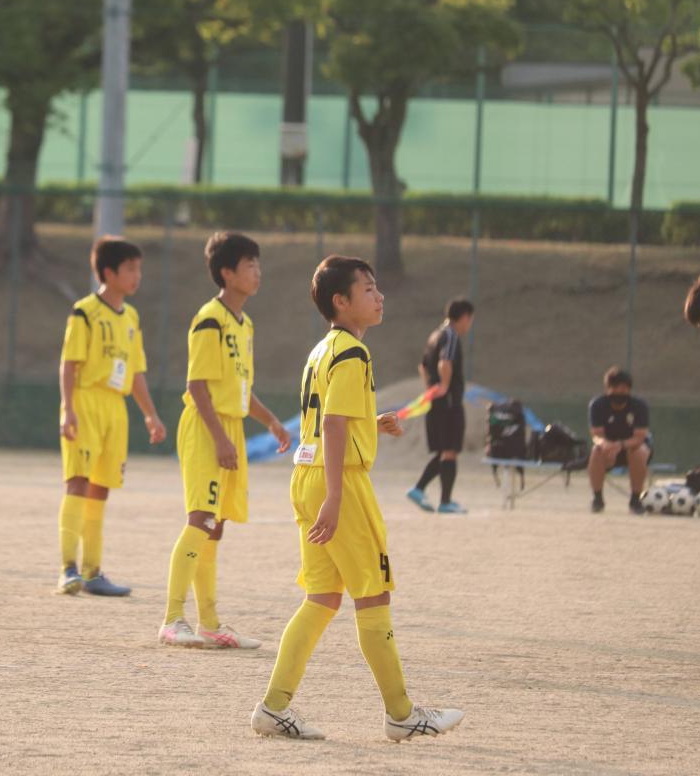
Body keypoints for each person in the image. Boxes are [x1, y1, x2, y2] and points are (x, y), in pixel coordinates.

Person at [251, 255, 463, 742]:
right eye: (368, 289)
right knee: (373, 594)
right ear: (340, 302)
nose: (379, 295)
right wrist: (335, 496)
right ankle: (401, 714)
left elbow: (332, 417)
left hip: (306, 477)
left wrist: (372, 422)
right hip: (338, 484)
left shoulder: (322, 350)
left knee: (323, 598)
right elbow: (331, 424)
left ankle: (273, 707)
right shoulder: (353, 353)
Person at [158, 231, 292, 649]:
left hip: (229, 426)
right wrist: (219, 439)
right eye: (250, 265)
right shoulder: (210, 319)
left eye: (258, 264)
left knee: (215, 528)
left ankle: (211, 623)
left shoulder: (244, 324)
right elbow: (197, 386)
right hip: (206, 427)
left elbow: (241, 390)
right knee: (201, 519)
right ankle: (172, 619)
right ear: (227, 273)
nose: (257, 272)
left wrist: (271, 422)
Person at [56, 236, 166, 596]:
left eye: (139, 269)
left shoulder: (131, 317)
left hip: (115, 409)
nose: (137, 276)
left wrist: (150, 415)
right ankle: (68, 569)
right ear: (108, 272)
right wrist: (69, 409)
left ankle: (92, 572)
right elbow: (69, 364)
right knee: (78, 481)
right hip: (86, 402)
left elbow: (135, 373)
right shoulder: (84, 312)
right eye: (130, 269)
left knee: (101, 487)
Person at [406, 298, 474, 514]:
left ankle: (421, 491)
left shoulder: (435, 335)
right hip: (449, 401)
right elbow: (445, 362)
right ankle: (443, 501)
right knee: (450, 450)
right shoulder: (451, 336)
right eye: (470, 320)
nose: (469, 325)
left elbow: (422, 366)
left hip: (435, 402)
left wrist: (430, 388)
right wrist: (444, 386)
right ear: (464, 317)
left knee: (445, 450)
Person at [587, 367, 651, 514]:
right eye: (615, 388)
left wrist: (619, 445)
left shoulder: (639, 406)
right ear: (608, 388)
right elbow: (597, 435)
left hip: (633, 446)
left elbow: (639, 437)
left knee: (637, 452)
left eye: (624, 389)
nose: (619, 393)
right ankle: (597, 499)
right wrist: (606, 445)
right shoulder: (597, 405)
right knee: (596, 451)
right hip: (608, 448)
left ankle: (635, 500)